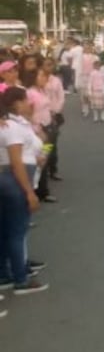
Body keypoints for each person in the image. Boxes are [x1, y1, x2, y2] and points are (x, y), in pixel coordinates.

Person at [0, 86, 47, 295]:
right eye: (26, 99)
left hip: (13, 178)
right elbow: (16, 162)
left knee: (7, 229)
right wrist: (29, 192)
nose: (30, 103)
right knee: (17, 230)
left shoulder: (15, 125)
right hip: (15, 180)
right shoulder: (11, 127)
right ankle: (21, 278)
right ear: (16, 103)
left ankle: (5, 273)